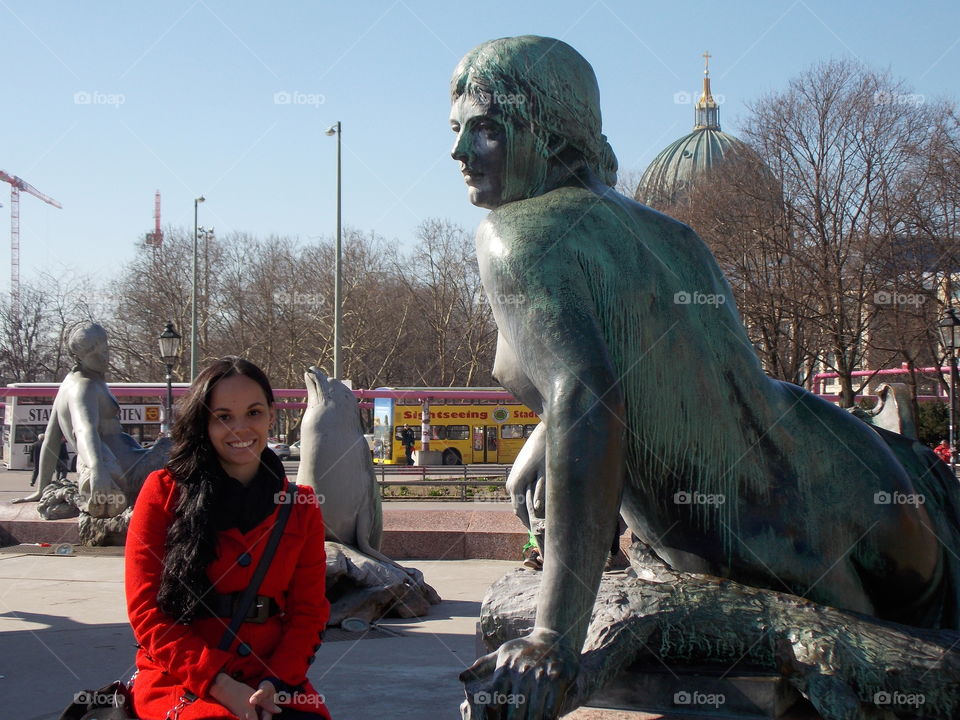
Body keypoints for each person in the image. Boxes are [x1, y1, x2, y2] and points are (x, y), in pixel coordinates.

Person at [451, 35, 960, 717]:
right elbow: (640, 374)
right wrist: (544, 444)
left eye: (485, 128)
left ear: (548, 130)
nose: (459, 151)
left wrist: (554, 636)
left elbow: (590, 403)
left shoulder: (517, 234)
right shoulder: (669, 235)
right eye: (457, 130)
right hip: (852, 477)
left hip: (759, 538)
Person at [125, 357, 331, 720]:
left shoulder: (300, 506)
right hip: (181, 676)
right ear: (204, 422)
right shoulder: (164, 492)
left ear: (271, 415)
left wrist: (276, 682)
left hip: (271, 677)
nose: (240, 428)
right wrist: (219, 684)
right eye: (223, 416)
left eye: (253, 412)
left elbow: (308, 613)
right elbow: (147, 613)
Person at [13, 322, 168, 516]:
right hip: (127, 469)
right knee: (180, 448)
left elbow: (51, 440)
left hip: (126, 461)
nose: (104, 357)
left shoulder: (69, 384)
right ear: (78, 357)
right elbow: (84, 430)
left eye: (106, 350)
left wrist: (41, 488)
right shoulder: (84, 386)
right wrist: (97, 469)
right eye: (96, 354)